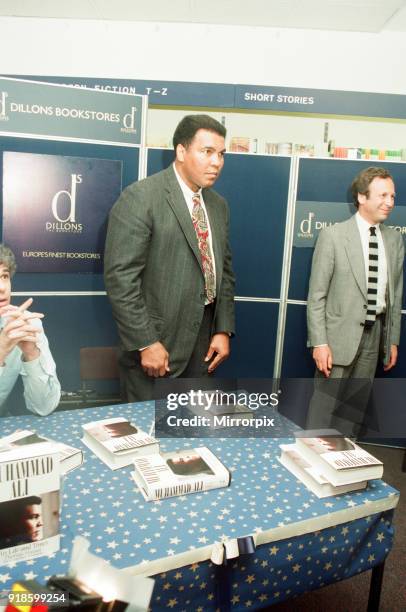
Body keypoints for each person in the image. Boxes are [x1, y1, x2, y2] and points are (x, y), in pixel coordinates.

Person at [104, 114, 235, 401]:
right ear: (181, 151)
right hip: (156, 346)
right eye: (207, 152)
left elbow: (223, 272)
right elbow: (121, 279)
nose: (217, 162)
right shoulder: (141, 197)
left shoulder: (218, 206)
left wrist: (223, 329)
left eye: (221, 154)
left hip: (203, 348)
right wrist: (146, 342)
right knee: (149, 438)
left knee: (188, 434)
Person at [306, 167, 404, 434]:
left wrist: (392, 339)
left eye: (393, 196)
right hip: (337, 340)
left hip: (374, 339)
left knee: (353, 413)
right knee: (323, 412)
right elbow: (316, 296)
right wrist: (320, 343)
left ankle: (345, 467)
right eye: (383, 195)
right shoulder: (334, 236)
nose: (390, 202)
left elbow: (395, 294)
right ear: (362, 197)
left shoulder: (395, 240)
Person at [0, 244, 61, 416]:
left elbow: (44, 407)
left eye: (4, 276)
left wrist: (31, 353)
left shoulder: (21, 323)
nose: (2, 288)